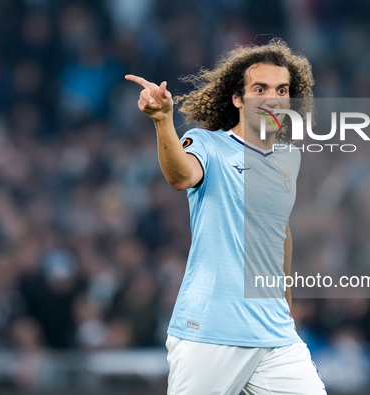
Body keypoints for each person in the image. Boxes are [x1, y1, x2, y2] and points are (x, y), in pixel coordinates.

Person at [126, 39, 326, 395]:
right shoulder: (207, 143)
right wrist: (162, 121)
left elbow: (280, 230)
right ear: (237, 99)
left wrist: (286, 304)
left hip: (274, 334)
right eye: (259, 88)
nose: (272, 98)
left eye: (281, 90)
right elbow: (180, 176)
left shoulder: (288, 159)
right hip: (211, 330)